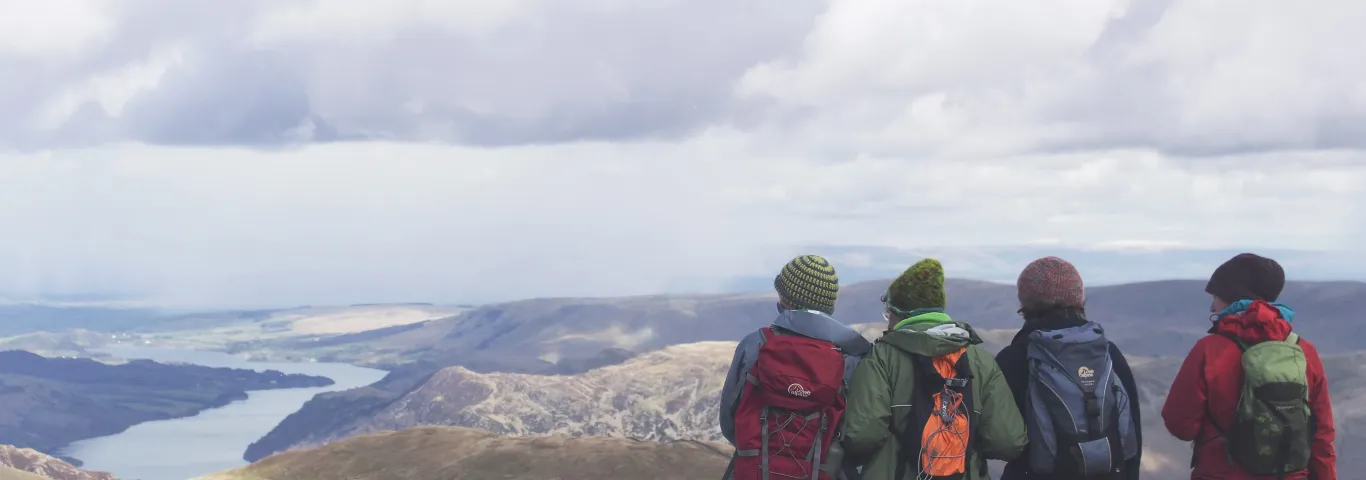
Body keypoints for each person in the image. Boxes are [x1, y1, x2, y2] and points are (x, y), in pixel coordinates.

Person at [841, 258, 1026, 480]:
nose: (888, 322)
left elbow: (861, 436)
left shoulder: (881, 358)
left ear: (901, 313)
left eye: (888, 314)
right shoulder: (982, 361)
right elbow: (1008, 442)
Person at [1162, 253, 1337, 480]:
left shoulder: (1209, 350)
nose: (1212, 307)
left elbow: (1181, 426)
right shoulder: (1304, 352)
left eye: (1216, 296)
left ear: (1231, 298)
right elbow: (1321, 435)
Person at [719, 254, 872, 480]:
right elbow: (858, 433)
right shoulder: (853, 355)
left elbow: (729, 420)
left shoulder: (755, 344)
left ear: (786, 298)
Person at [995, 256, 1141, 480]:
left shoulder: (1014, 359)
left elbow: (1000, 440)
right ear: (1079, 297)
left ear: (1024, 301)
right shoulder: (1109, 354)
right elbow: (1132, 433)